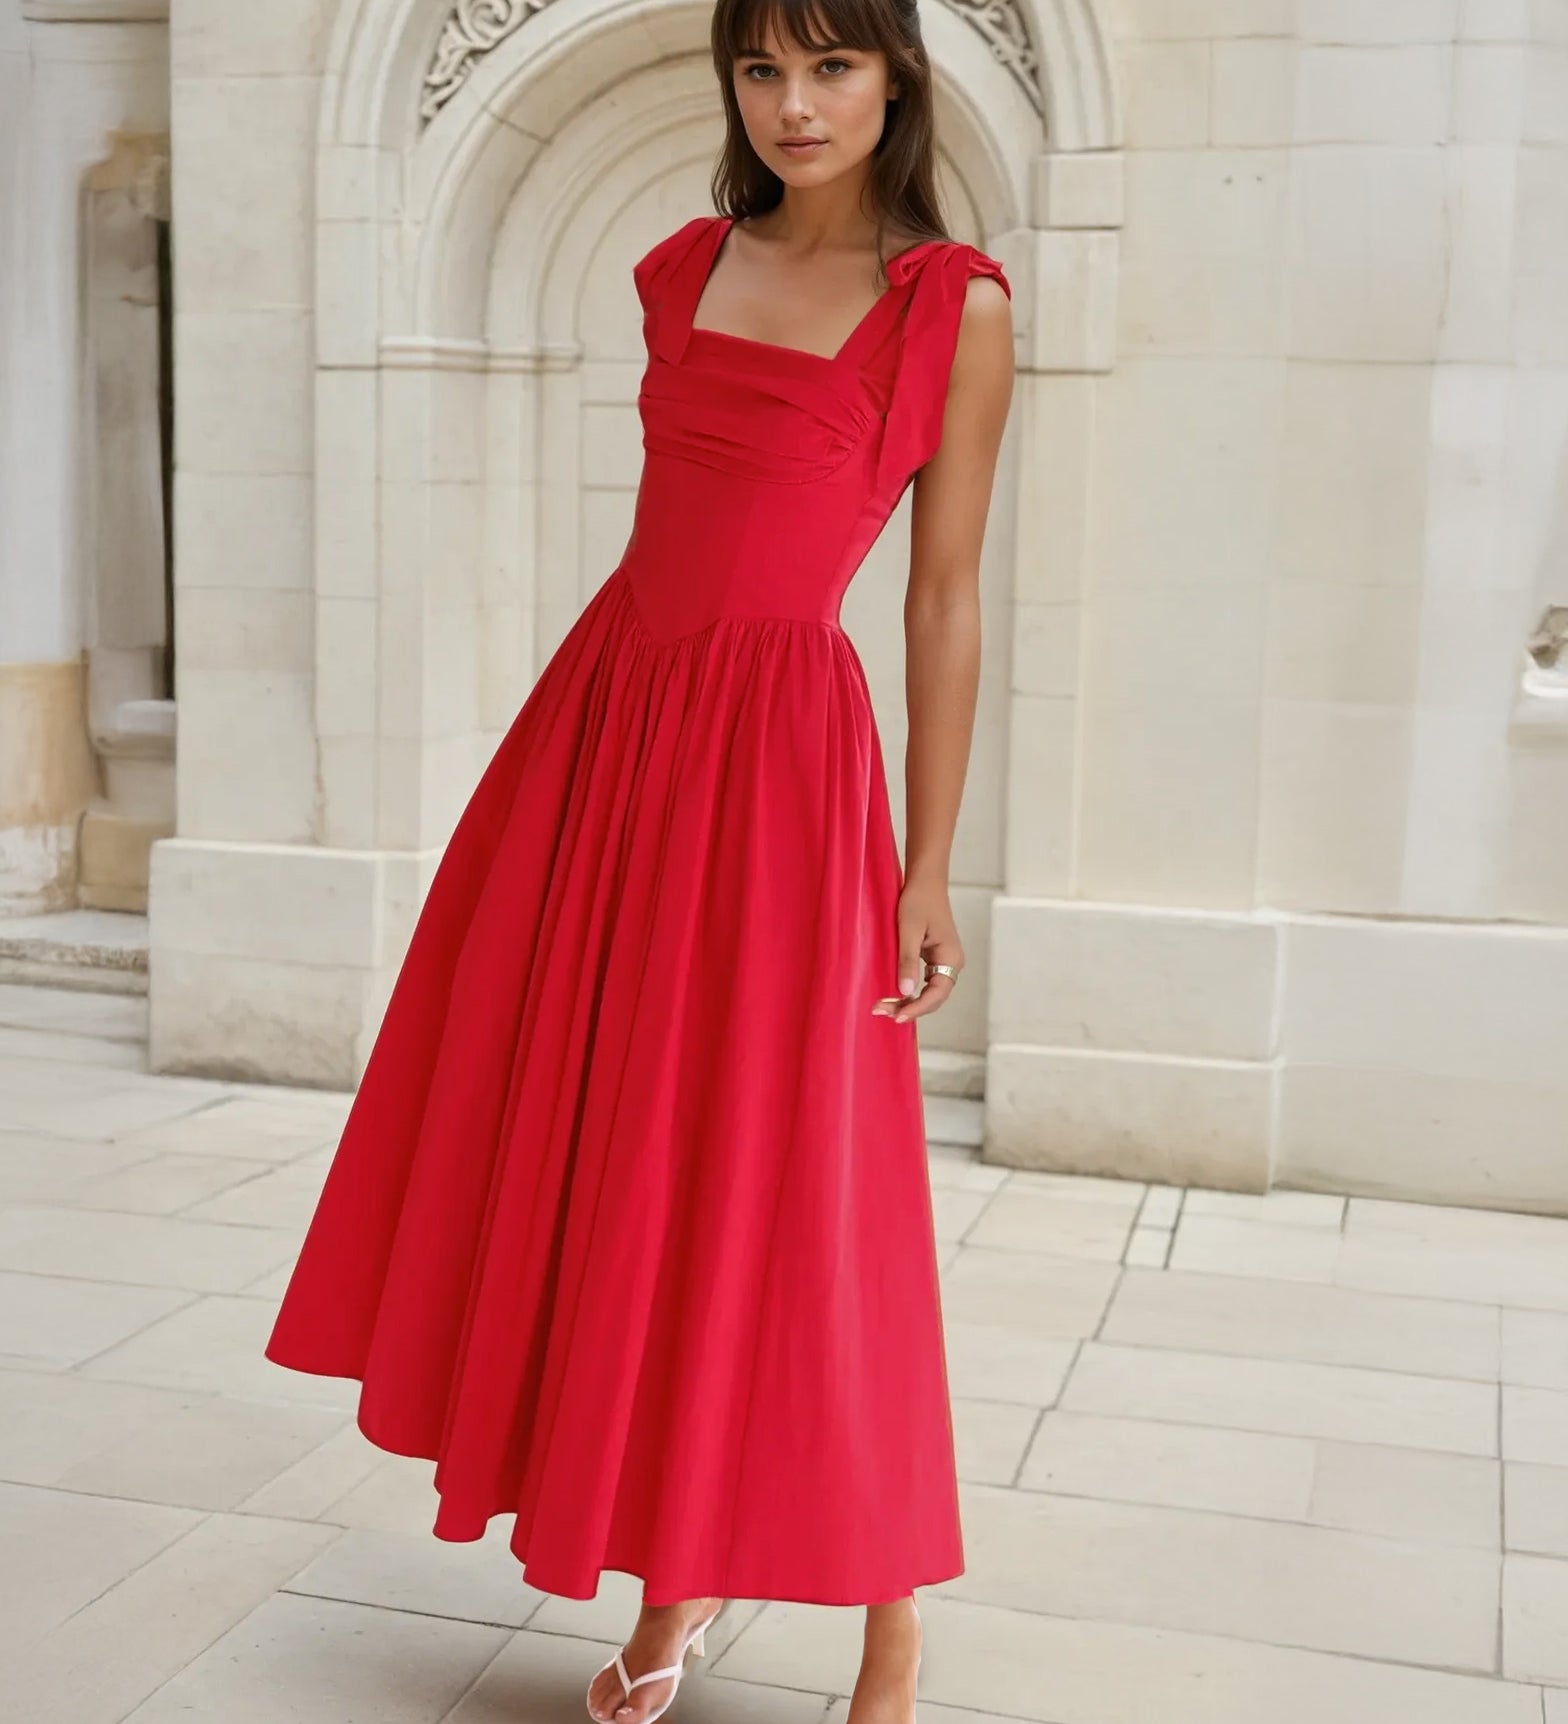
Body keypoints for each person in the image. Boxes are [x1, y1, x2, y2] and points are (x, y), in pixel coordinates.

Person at [263, 0, 1014, 1717]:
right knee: (623, 1155)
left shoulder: (948, 307)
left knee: (790, 1186)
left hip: (781, 774)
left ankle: (891, 1609)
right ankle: (673, 1583)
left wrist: (929, 866)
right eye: (762, 68)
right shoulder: (679, 269)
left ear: (895, 78)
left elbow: (946, 594)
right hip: (607, 739)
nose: (794, 103)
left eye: (832, 66)